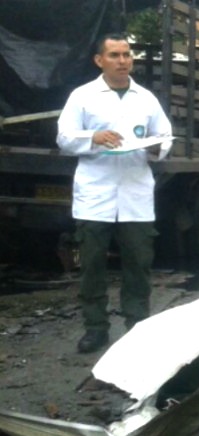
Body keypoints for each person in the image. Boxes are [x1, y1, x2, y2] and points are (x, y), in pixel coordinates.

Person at [56, 33, 172, 353]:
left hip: (135, 194)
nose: (123, 61)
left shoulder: (145, 98)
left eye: (126, 55)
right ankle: (96, 328)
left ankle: (136, 326)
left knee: (138, 264)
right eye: (115, 55)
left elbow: (164, 135)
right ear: (99, 60)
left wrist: (159, 148)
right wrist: (93, 137)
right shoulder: (82, 96)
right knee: (92, 265)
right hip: (95, 194)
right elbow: (64, 138)